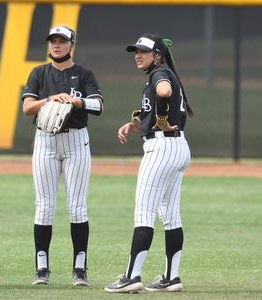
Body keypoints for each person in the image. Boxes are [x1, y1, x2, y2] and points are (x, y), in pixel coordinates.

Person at [105, 34, 193, 293]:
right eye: (136, 51)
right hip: (178, 148)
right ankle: (171, 277)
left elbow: (163, 92)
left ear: (158, 55)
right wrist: (137, 125)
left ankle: (132, 276)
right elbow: (159, 104)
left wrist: (162, 120)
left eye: (144, 51)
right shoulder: (164, 73)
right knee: (170, 215)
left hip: (162, 148)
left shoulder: (160, 74)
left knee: (144, 214)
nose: (138, 55)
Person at [22, 25, 103, 286]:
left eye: (62, 41)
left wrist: (77, 102)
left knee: (77, 206)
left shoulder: (84, 74)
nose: (56, 45)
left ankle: (80, 269)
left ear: (72, 45)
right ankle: (41, 268)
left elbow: (99, 105)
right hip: (45, 141)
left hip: (76, 141)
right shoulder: (38, 73)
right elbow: (27, 108)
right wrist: (50, 100)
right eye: (52, 41)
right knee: (44, 207)